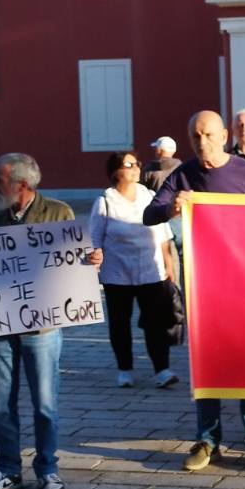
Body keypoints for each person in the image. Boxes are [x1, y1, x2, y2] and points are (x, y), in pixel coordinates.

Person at [145, 110, 245, 472]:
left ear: (224, 136)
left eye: (208, 135)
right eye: (195, 137)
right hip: (206, 285)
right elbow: (149, 213)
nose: (201, 142)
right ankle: (208, 440)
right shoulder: (184, 174)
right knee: (207, 362)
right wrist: (172, 206)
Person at [0, 154, 77, 489]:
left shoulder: (58, 213)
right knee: (2, 404)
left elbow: (72, 265)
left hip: (42, 329)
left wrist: (91, 259)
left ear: (22, 185)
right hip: (0, 326)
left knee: (45, 403)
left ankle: (47, 468)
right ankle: (7, 469)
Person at [89, 150, 177, 390]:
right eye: (128, 164)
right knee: (120, 323)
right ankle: (125, 369)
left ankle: (162, 370)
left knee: (155, 324)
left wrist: (169, 266)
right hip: (117, 274)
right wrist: (95, 256)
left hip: (151, 271)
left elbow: (163, 234)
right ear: (115, 171)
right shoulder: (105, 201)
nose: (135, 168)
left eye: (136, 163)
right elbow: (94, 238)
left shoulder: (149, 195)